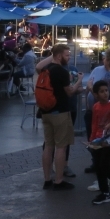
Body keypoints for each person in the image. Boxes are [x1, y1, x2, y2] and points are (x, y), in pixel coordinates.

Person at [36, 44, 84, 190]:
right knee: (61, 147)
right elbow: (69, 92)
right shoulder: (61, 72)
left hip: (46, 112)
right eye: (67, 55)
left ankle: (47, 179)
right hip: (61, 112)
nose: (69, 58)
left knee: (48, 146)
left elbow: (38, 66)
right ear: (58, 56)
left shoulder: (46, 69)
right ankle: (59, 180)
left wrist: (54, 52)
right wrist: (79, 81)